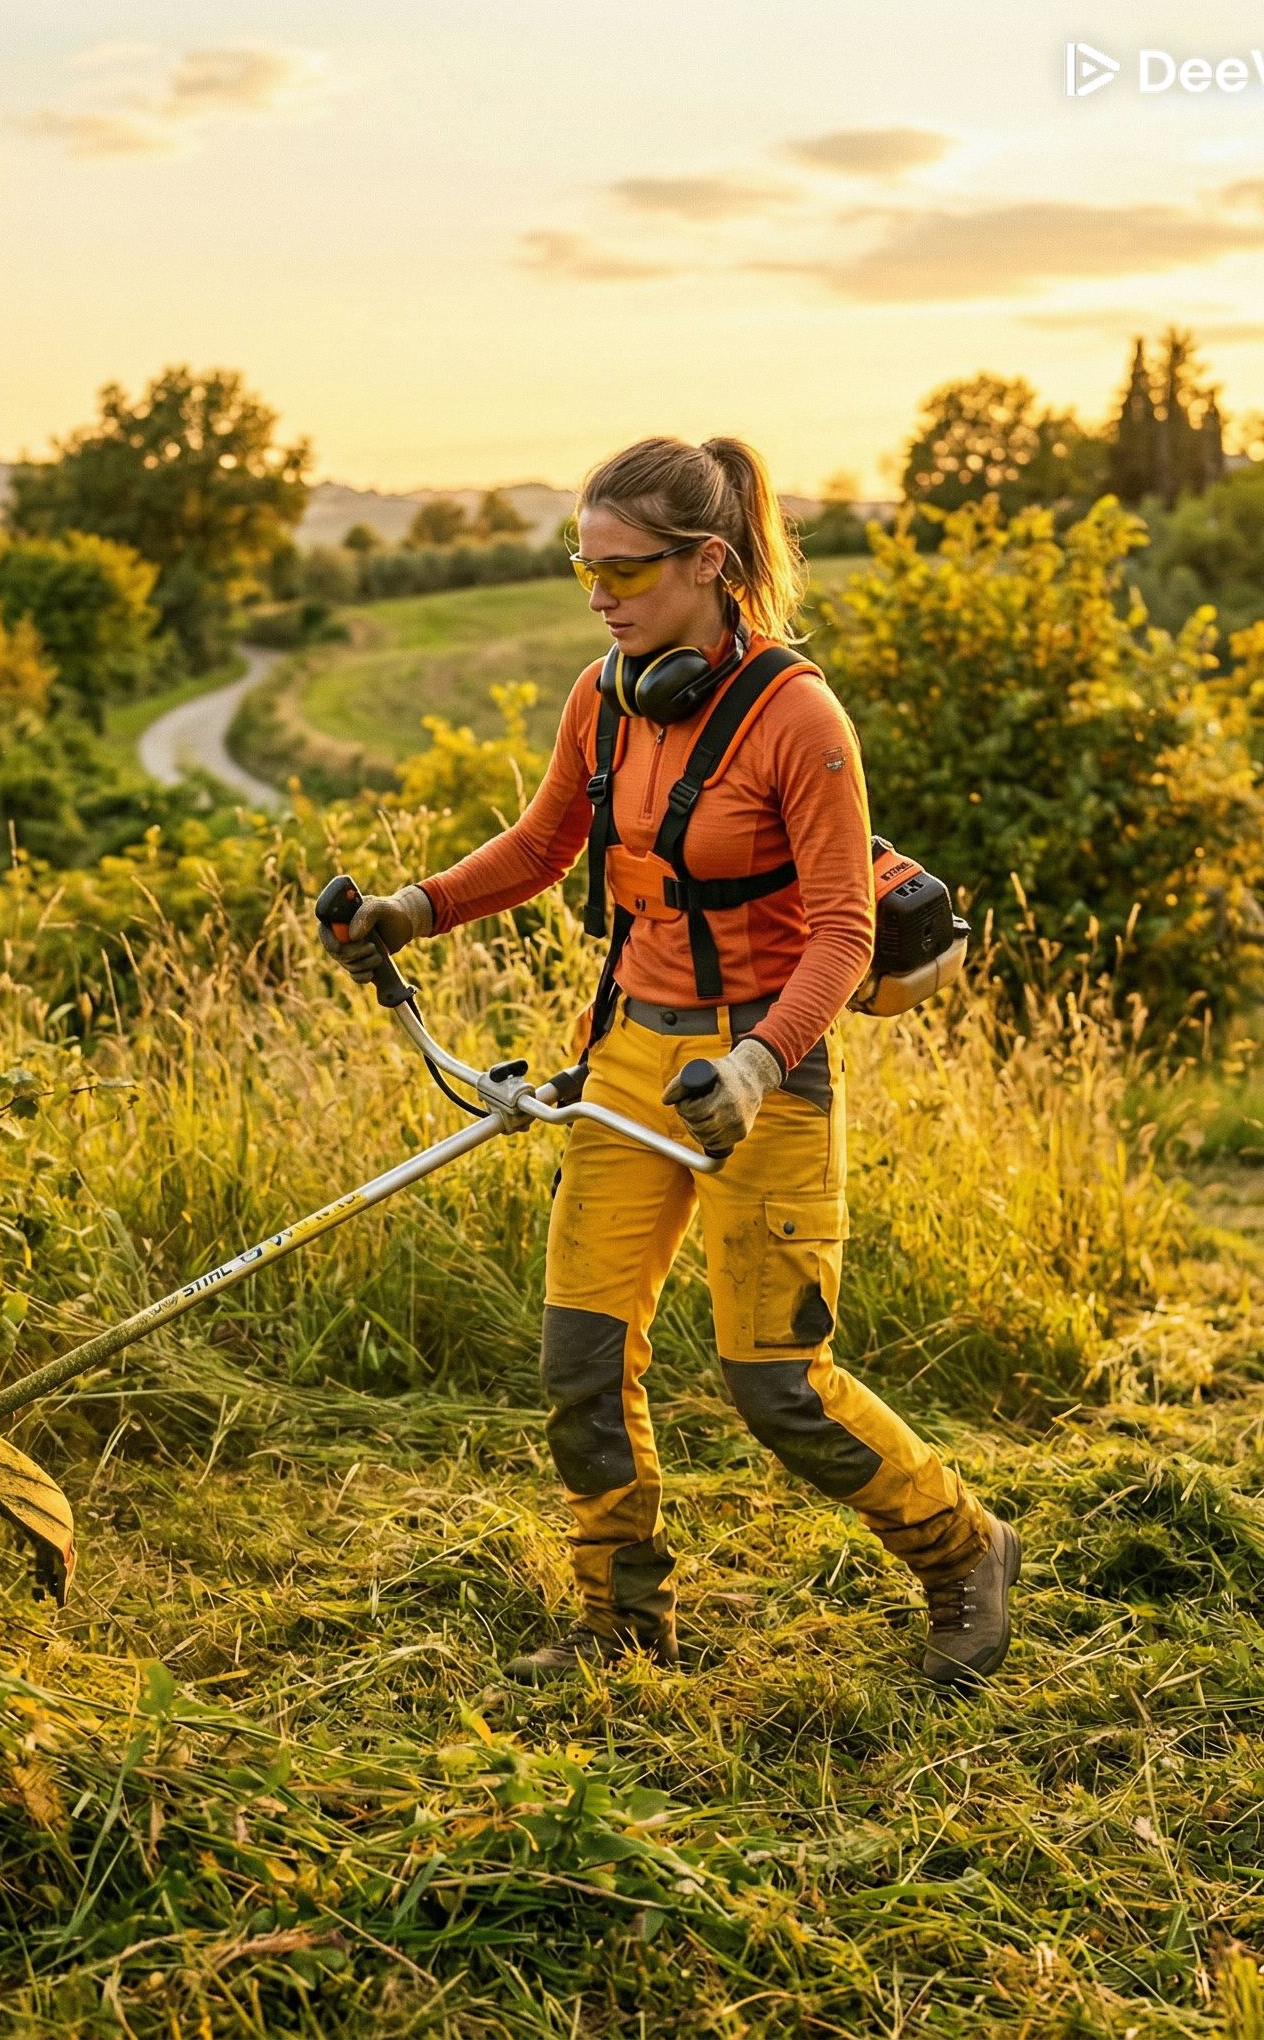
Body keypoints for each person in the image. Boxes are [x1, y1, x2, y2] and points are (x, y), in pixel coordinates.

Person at [322, 435, 1017, 1688]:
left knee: (777, 1386)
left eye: (624, 572)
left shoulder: (798, 718)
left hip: (767, 1074)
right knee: (580, 1362)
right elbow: (543, 842)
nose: (599, 595)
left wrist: (754, 1066)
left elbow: (844, 930)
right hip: (630, 1054)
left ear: (709, 563)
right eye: (581, 567)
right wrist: (410, 909)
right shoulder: (605, 690)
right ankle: (619, 1622)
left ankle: (963, 1549)